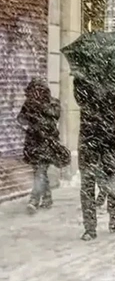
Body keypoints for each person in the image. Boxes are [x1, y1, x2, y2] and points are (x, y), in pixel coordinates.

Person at [74, 75, 115, 241]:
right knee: (88, 183)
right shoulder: (82, 79)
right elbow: (80, 100)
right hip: (90, 139)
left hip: (108, 139)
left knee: (112, 178)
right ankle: (90, 226)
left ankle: (113, 213)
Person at [17, 78, 62, 214]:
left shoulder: (53, 103)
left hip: (47, 143)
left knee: (40, 171)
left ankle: (34, 200)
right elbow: (20, 118)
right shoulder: (29, 104)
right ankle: (47, 198)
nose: (36, 93)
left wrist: (40, 110)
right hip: (33, 143)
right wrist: (28, 115)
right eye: (34, 90)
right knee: (39, 172)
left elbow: (55, 116)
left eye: (39, 90)